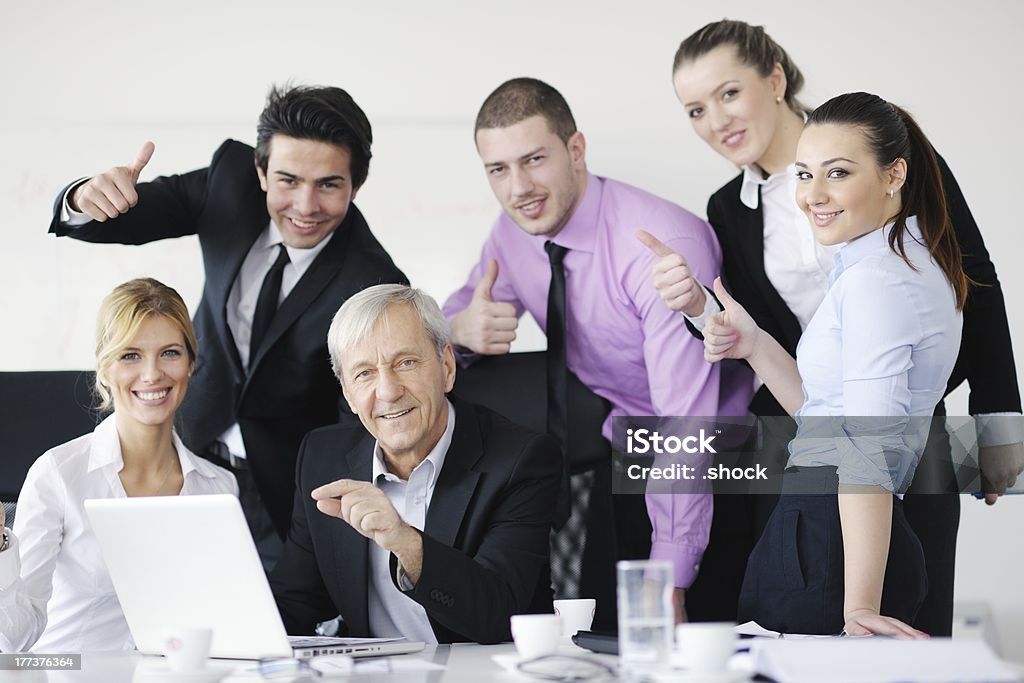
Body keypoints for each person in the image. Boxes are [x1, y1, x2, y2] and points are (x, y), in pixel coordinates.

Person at [656, 19, 1022, 634]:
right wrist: (701, 312)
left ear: (775, 79)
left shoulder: (885, 150)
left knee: (905, 615)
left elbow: (974, 277)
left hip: (902, 422)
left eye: (727, 93)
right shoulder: (727, 208)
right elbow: (757, 329)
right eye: (695, 109)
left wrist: (999, 422)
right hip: (816, 434)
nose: (715, 121)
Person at [48, 85, 408, 567]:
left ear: (355, 186)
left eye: (328, 184)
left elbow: (361, 412)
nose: (304, 206)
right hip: (185, 452)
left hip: (287, 492)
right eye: (287, 180)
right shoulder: (229, 183)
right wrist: (85, 196)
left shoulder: (373, 279)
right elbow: (123, 216)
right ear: (260, 172)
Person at [442, 77, 751, 627]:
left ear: (575, 150)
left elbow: (687, 425)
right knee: (604, 638)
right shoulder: (514, 234)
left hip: (721, 462)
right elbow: (455, 316)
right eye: (498, 169)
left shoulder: (661, 249)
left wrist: (671, 576)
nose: (518, 187)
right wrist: (459, 329)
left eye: (535, 159)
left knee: (701, 649)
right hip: (628, 447)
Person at [697, 92, 964, 636]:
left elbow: (868, 450)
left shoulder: (876, 281)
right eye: (803, 174)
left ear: (894, 175)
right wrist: (755, 344)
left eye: (837, 174)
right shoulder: (895, 261)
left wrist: (859, 607)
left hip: (828, 546)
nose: (811, 196)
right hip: (827, 533)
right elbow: (830, 417)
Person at [269, 284, 562, 644]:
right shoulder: (322, 457)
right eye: (364, 373)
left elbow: (497, 615)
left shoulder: (521, 459)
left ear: (447, 367)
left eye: (405, 363)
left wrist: (405, 543)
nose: (388, 391)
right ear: (347, 392)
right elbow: (295, 602)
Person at [0, 278, 238, 653]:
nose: (152, 374)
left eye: (170, 353)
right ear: (105, 367)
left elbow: (223, 624)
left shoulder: (218, 488)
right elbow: (14, 639)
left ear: (192, 363)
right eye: (130, 355)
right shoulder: (60, 473)